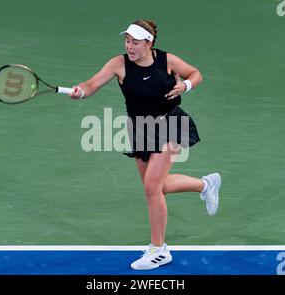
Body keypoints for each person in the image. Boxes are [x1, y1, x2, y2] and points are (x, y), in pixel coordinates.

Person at [69, 20, 221, 270]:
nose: (129, 46)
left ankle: (159, 250)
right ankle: (206, 185)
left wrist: (186, 85)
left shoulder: (167, 61)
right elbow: (91, 85)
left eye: (135, 42)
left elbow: (197, 74)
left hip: (170, 123)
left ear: (149, 43)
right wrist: (80, 91)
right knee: (157, 187)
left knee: (151, 188)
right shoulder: (118, 64)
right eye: (127, 41)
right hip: (138, 129)